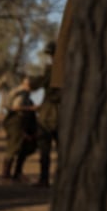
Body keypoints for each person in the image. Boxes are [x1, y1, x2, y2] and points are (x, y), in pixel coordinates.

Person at [30, 41, 61, 188]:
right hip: (62, 114)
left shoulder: (52, 71)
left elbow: (35, 85)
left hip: (48, 115)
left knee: (45, 151)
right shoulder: (72, 69)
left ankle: (44, 179)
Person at [1, 76, 38, 181]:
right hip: (16, 121)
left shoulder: (27, 96)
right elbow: (14, 107)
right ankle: (6, 173)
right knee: (14, 146)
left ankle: (18, 172)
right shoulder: (18, 93)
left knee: (26, 146)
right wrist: (31, 108)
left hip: (25, 122)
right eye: (26, 83)